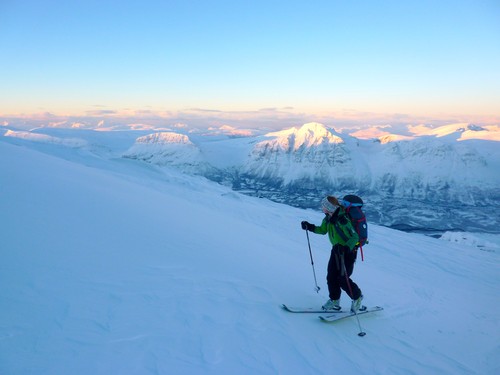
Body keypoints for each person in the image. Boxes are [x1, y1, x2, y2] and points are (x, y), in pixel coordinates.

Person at [301, 195, 364, 312]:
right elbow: (323, 230)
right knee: (331, 276)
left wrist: (346, 248)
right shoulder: (328, 218)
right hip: (336, 251)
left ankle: (357, 297)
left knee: (343, 278)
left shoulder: (343, 219)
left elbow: (355, 236)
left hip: (347, 253)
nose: (322, 208)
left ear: (329, 207)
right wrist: (309, 227)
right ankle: (334, 300)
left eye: (323, 206)